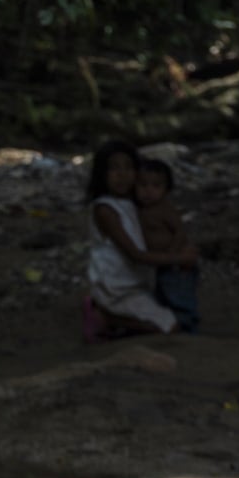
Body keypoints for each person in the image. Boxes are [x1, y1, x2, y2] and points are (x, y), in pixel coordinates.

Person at [83, 141, 196, 337]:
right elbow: (135, 255)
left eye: (128, 167)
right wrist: (180, 258)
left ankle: (118, 320)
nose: (122, 174)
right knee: (170, 327)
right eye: (114, 168)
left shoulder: (135, 204)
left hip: (138, 284)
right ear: (102, 174)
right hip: (116, 289)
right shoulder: (105, 210)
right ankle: (106, 317)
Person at [134, 158, 201, 333]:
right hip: (160, 264)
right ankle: (173, 325)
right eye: (143, 185)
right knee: (163, 296)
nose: (148, 191)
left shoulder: (165, 210)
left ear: (166, 190)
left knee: (180, 297)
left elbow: (179, 231)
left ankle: (188, 327)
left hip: (176, 265)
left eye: (156, 186)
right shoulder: (140, 210)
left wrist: (174, 253)